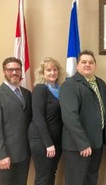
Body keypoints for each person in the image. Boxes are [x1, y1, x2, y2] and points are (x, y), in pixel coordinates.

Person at [60, 50, 106, 185]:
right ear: (77, 66)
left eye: (91, 62)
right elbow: (70, 117)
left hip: (97, 143)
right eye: (84, 62)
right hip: (78, 146)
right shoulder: (69, 85)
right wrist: (82, 144)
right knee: (76, 181)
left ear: (95, 65)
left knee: (91, 179)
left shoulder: (101, 83)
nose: (87, 65)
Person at [0, 57, 32, 185]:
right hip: (5, 156)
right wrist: (0, 155)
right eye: (10, 69)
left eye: (17, 69)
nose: (14, 72)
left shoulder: (27, 94)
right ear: (4, 72)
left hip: (23, 154)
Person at [28, 57, 63, 185]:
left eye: (55, 70)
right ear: (42, 73)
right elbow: (38, 118)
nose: (52, 73)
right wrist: (48, 144)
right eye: (48, 70)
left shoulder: (60, 89)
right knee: (43, 177)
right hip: (42, 140)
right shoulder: (40, 89)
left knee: (51, 173)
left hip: (56, 140)